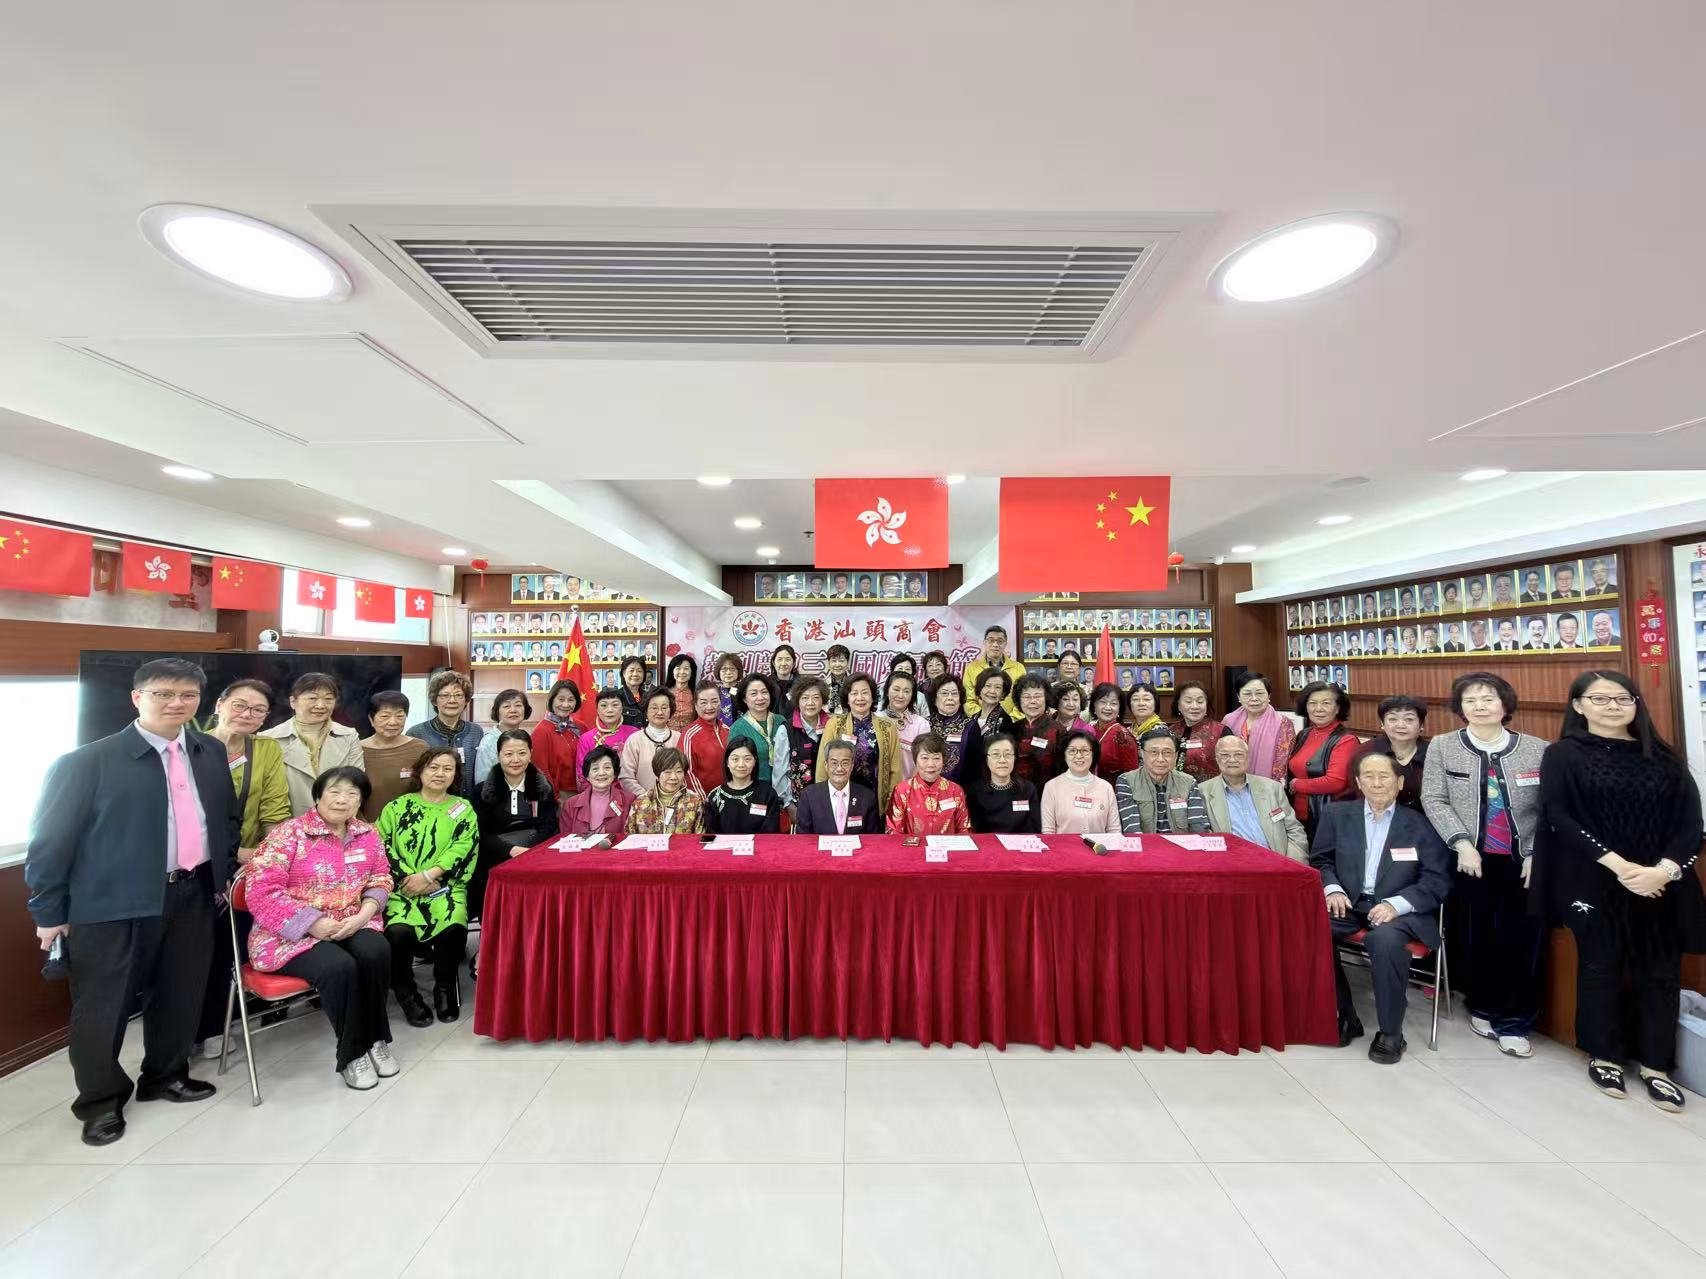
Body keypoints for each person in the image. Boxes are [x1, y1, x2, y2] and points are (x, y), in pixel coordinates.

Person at [26, 658, 237, 1145]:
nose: (176, 703)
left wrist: (222, 874)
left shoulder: (208, 750)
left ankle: (165, 1075)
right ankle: (100, 1102)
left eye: (187, 695)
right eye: (163, 693)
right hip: (112, 903)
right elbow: (50, 843)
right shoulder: (86, 763)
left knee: (181, 992)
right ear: (137, 697)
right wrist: (49, 911)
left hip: (193, 892)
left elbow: (225, 818)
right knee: (103, 1007)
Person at [1536, 671, 1704, 1108]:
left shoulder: (1664, 758)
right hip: (1595, 878)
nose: (1613, 706)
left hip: (1661, 883)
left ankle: (1656, 1064)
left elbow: (1690, 824)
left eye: (1623, 698)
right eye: (1600, 698)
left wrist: (1663, 871)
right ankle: (1604, 1054)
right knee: (1601, 966)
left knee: (1660, 972)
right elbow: (1559, 816)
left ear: (1635, 705)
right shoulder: (1563, 755)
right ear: (1578, 706)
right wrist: (1620, 866)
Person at [1420, 672, 1548, 1058]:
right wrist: (1461, 843)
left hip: (1522, 861)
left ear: (1505, 705)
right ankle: (1482, 1006)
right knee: (1477, 936)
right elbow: (1434, 798)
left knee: (1522, 941)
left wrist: (1535, 852)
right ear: (1460, 708)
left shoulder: (1537, 749)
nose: (1480, 706)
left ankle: (1515, 1021)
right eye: (1471, 700)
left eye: (1488, 699)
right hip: (1469, 859)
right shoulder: (1443, 745)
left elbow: (1550, 808)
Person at [244, 765, 394, 1090]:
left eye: (352, 794)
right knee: (338, 966)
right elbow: (260, 891)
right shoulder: (289, 834)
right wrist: (314, 923)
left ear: (360, 801)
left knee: (376, 951)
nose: (342, 800)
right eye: (334, 792)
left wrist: (364, 914)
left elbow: (381, 878)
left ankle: (376, 1039)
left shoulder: (367, 835)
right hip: (290, 934)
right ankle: (352, 1053)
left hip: (352, 921)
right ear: (318, 796)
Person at [1315, 753, 1452, 1065]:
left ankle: (1391, 1033)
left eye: (1384, 776)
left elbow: (1437, 879)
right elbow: (1321, 859)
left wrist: (1395, 904)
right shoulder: (1337, 814)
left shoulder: (1420, 825)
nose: (1376, 783)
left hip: (1400, 910)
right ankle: (1344, 1016)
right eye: (1369, 776)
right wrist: (1332, 888)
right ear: (1358, 782)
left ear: (1399, 782)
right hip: (1349, 903)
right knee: (1311, 929)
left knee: (1384, 940)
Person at [194, 678, 293, 1056]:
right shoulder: (192, 746)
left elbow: (275, 809)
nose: (247, 715)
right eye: (240, 705)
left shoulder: (265, 749)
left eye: (258, 710)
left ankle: (220, 1022)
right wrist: (236, 853)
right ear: (219, 704)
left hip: (249, 866)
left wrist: (267, 858)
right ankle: (192, 1030)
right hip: (198, 864)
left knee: (232, 942)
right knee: (196, 949)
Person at [378, 747, 479, 1026]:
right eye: (433, 767)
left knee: (453, 926)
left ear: (456, 775)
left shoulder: (463, 809)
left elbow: (465, 847)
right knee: (397, 933)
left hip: (444, 887)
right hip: (402, 889)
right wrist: (407, 878)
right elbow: (380, 846)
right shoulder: (397, 807)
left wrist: (429, 876)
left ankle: (444, 987)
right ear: (420, 771)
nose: (439, 773)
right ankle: (406, 993)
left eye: (448, 768)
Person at [262, 673, 366, 816]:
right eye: (312, 698)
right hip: (289, 822)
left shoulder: (349, 736)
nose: (321, 705)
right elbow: (266, 793)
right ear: (293, 702)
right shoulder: (269, 739)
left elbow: (356, 783)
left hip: (338, 820)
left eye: (328, 699)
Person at [1200, 736, 1307, 861]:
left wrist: (1292, 864)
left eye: (1239, 754)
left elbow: (1294, 830)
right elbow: (1204, 838)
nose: (1232, 760)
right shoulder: (1203, 793)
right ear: (1217, 759)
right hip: (1234, 865)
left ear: (1247, 758)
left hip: (1278, 862)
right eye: (1224, 755)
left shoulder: (1272, 788)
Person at [820, 673, 902, 814]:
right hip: (841, 797)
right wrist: (823, 799)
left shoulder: (888, 727)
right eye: (854, 693)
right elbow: (823, 763)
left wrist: (891, 801)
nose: (860, 698)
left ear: (872, 697)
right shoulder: (834, 724)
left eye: (865, 693)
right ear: (847, 698)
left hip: (876, 798)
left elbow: (895, 769)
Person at [1286, 682, 1359, 835]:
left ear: (1337, 708)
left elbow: (1335, 782)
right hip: (1296, 817)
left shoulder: (1346, 740)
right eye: (1312, 703)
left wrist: (1297, 784)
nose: (1318, 708)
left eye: (1326, 703)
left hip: (1325, 818)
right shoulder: (1304, 734)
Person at [1116, 728, 1211, 834]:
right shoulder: (1126, 781)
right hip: (1145, 843)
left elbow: (1198, 826)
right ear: (1142, 754)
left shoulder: (1189, 782)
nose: (1160, 759)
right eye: (1154, 752)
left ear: (1176, 756)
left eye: (1167, 753)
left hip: (1181, 843)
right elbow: (1131, 828)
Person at [404, 672, 482, 800]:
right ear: (434, 700)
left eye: (458, 695)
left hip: (467, 803)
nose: (452, 700)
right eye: (445, 695)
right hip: (429, 802)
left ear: (466, 700)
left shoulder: (476, 731)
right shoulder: (416, 733)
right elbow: (411, 775)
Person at [885, 733, 972, 836]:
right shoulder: (901, 791)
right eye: (925, 758)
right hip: (913, 845)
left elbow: (964, 829)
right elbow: (894, 832)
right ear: (915, 760)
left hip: (948, 846)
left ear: (943, 761)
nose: (931, 764)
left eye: (936, 758)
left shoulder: (955, 790)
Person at [795, 739, 883, 835]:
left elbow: (873, 839)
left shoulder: (867, 797)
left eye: (845, 763)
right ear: (826, 765)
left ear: (852, 766)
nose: (839, 768)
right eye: (834, 763)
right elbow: (803, 838)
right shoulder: (809, 796)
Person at [1358, 695, 1429, 811]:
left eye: (1409, 719)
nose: (1400, 725)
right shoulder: (1366, 751)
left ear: (1421, 725)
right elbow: (1357, 794)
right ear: (1382, 724)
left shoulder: (1434, 753)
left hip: (1425, 818)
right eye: (1393, 719)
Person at [1222, 672, 1296, 783]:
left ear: (1269, 696)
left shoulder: (1283, 723)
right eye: (1247, 694)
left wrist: (1271, 788)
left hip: (1268, 786)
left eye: (1260, 693)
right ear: (1238, 697)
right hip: (1231, 783)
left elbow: (1281, 764)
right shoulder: (1228, 720)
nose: (1254, 698)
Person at [1040, 729, 1118, 834]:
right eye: (1072, 751)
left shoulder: (1106, 787)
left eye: (1085, 751)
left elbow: (1114, 830)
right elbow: (1048, 831)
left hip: (1099, 845)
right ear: (1064, 755)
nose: (1078, 756)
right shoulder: (1051, 787)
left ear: (1093, 754)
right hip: (1063, 845)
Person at [727, 673, 792, 800]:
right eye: (753, 693)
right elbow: (734, 765)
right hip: (754, 793)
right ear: (744, 698)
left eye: (764, 692)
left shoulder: (781, 721)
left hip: (784, 792)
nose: (760, 697)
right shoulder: (737, 728)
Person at [703, 738, 783, 834]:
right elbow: (712, 834)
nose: (741, 764)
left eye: (747, 759)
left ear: (755, 761)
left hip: (760, 844)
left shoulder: (768, 794)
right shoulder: (715, 797)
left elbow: (771, 834)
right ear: (727, 762)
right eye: (735, 759)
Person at [966, 733, 1042, 834]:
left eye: (1008, 754)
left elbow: (1034, 829)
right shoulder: (976, 791)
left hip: (1021, 843)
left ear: (1015, 758)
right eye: (995, 754)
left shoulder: (1028, 789)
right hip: (987, 843)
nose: (1002, 760)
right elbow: (974, 831)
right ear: (986, 759)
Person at [620, 688, 686, 797]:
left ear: (671, 710)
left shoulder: (680, 738)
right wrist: (647, 797)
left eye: (664, 707)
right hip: (643, 802)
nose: (660, 712)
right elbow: (626, 777)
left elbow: (686, 773)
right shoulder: (634, 740)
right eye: (654, 708)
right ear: (646, 711)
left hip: (676, 802)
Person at [625, 747, 704, 834]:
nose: (673, 777)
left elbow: (700, 837)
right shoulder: (640, 802)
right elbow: (629, 835)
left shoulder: (694, 801)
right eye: (667, 772)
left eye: (678, 771)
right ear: (658, 773)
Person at [559, 745, 631, 837]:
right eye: (595, 769)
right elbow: (566, 839)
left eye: (607, 767)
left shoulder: (629, 801)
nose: (601, 773)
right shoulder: (570, 805)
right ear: (587, 776)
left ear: (615, 773)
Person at [530, 679, 583, 803]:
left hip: (583, 793)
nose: (566, 704)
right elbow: (540, 769)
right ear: (552, 700)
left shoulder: (581, 727)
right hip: (558, 795)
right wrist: (556, 797)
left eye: (571, 700)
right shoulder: (541, 731)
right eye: (561, 699)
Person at [784, 677, 831, 807]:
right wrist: (788, 803)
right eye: (805, 698)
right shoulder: (786, 729)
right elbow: (781, 770)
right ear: (797, 701)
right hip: (798, 801)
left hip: (827, 799)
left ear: (823, 700)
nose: (810, 703)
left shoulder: (832, 725)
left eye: (816, 698)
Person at [962, 668, 1015, 783]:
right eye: (987, 686)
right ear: (980, 689)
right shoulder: (972, 719)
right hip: (969, 780)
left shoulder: (1005, 721)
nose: (992, 691)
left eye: (998, 687)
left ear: (1003, 693)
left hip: (991, 782)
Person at [961, 624, 1027, 717]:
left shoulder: (1018, 668)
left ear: (1005, 644)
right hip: (980, 722)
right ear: (984, 642)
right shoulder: (971, 668)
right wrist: (984, 719)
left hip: (1012, 723)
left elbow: (1023, 699)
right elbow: (968, 701)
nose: (995, 645)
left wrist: (1009, 720)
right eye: (991, 640)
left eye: (1000, 641)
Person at [1168, 681, 1228, 783]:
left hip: (1210, 789)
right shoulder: (1171, 731)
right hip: (1176, 789)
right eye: (1188, 701)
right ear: (1178, 705)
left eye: (1200, 701)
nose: (1195, 706)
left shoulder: (1220, 731)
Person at [681, 681, 733, 796]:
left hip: (729, 798)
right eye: (703, 702)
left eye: (714, 701)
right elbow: (687, 772)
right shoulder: (689, 734)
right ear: (695, 705)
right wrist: (704, 801)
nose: (709, 707)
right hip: (704, 800)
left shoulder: (728, 731)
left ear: (720, 702)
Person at [1010, 675, 1061, 789]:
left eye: (1037, 696)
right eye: (1027, 697)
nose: (1032, 701)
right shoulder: (1012, 729)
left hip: (1047, 792)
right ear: (1019, 700)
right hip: (1016, 792)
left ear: (1046, 698)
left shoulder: (1057, 730)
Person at [576, 687, 638, 778]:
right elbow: (581, 774)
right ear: (597, 709)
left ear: (622, 708)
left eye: (615, 705)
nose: (610, 710)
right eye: (604, 705)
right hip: (596, 786)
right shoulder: (586, 739)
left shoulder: (634, 734)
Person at [880, 669, 931, 778]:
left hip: (908, 785)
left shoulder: (921, 724)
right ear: (887, 691)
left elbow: (923, 760)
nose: (901, 695)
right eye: (896, 689)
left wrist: (908, 786)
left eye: (906, 691)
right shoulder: (875, 718)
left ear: (912, 695)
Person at [1087, 681, 1140, 785]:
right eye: (1103, 702)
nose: (1108, 707)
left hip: (1113, 791)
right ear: (1094, 705)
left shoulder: (1123, 735)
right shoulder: (1088, 729)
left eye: (1113, 703)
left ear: (1119, 708)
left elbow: (1132, 775)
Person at [475, 688, 532, 780]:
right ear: (497, 711)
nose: (513, 710)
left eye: (518, 705)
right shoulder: (489, 742)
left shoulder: (525, 738)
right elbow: (482, 781)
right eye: (506, 706)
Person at [663, 654, 699, 730]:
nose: (682, 672)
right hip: (667, 735)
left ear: (691, 673)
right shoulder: (663, 693)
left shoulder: (697, 694)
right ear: (672, 671)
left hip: (690, 735)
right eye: (678, 668)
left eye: (686, 669)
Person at [616, 656, 651, 728]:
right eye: (631, 671)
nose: (635, 674)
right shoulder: (616, 697)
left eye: (639, 671)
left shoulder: (650, 697)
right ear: (624, 673)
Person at [713, 652, 745, 725]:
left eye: (732, 669)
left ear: (738, 671)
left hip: (741, 729)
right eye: (724, 669)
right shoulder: (714, 692)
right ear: (718, 672)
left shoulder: (744, 691)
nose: (728, 672)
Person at [823, 644, 853, 713]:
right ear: (828, 664)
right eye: (834, 661)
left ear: (848, 663)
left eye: (841, 661)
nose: (837, 665)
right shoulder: (822, 685)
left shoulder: (855, 684)